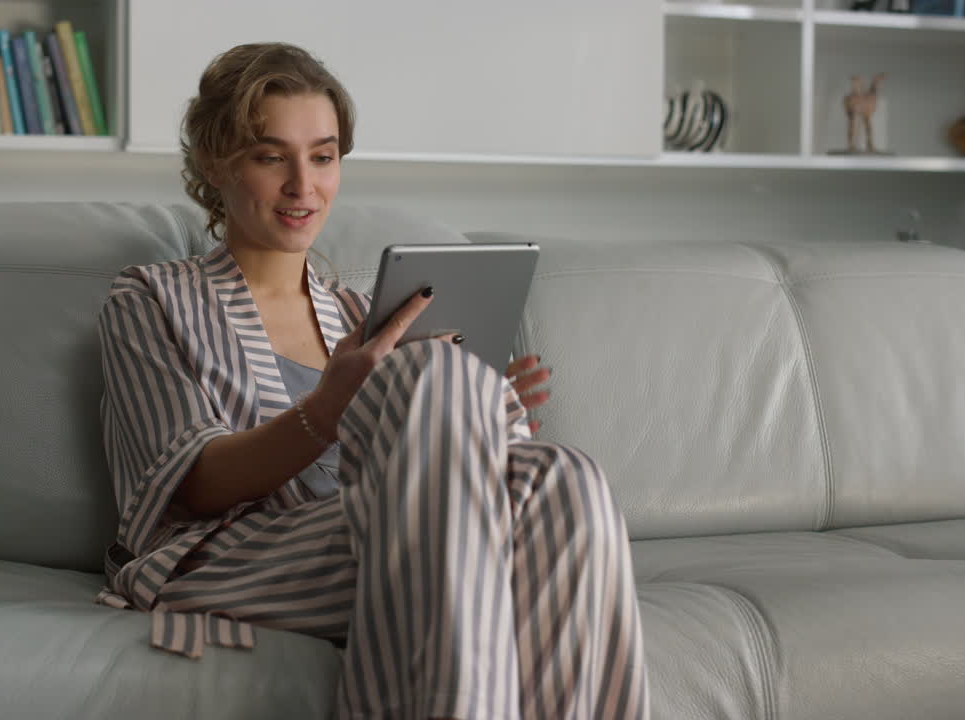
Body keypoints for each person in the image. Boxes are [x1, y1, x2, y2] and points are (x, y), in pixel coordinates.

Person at [94, 42, 649, 720]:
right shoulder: (151, 300)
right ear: (216, 163)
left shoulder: (364, 315)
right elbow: (193, 483)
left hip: (391, 527)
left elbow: (444, 473)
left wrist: (481, 408)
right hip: (233, 554)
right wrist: (331, 407)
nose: (304, 185)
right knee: (436, 381)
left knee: (567, 479)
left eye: (324, 157)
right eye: (272, 157)